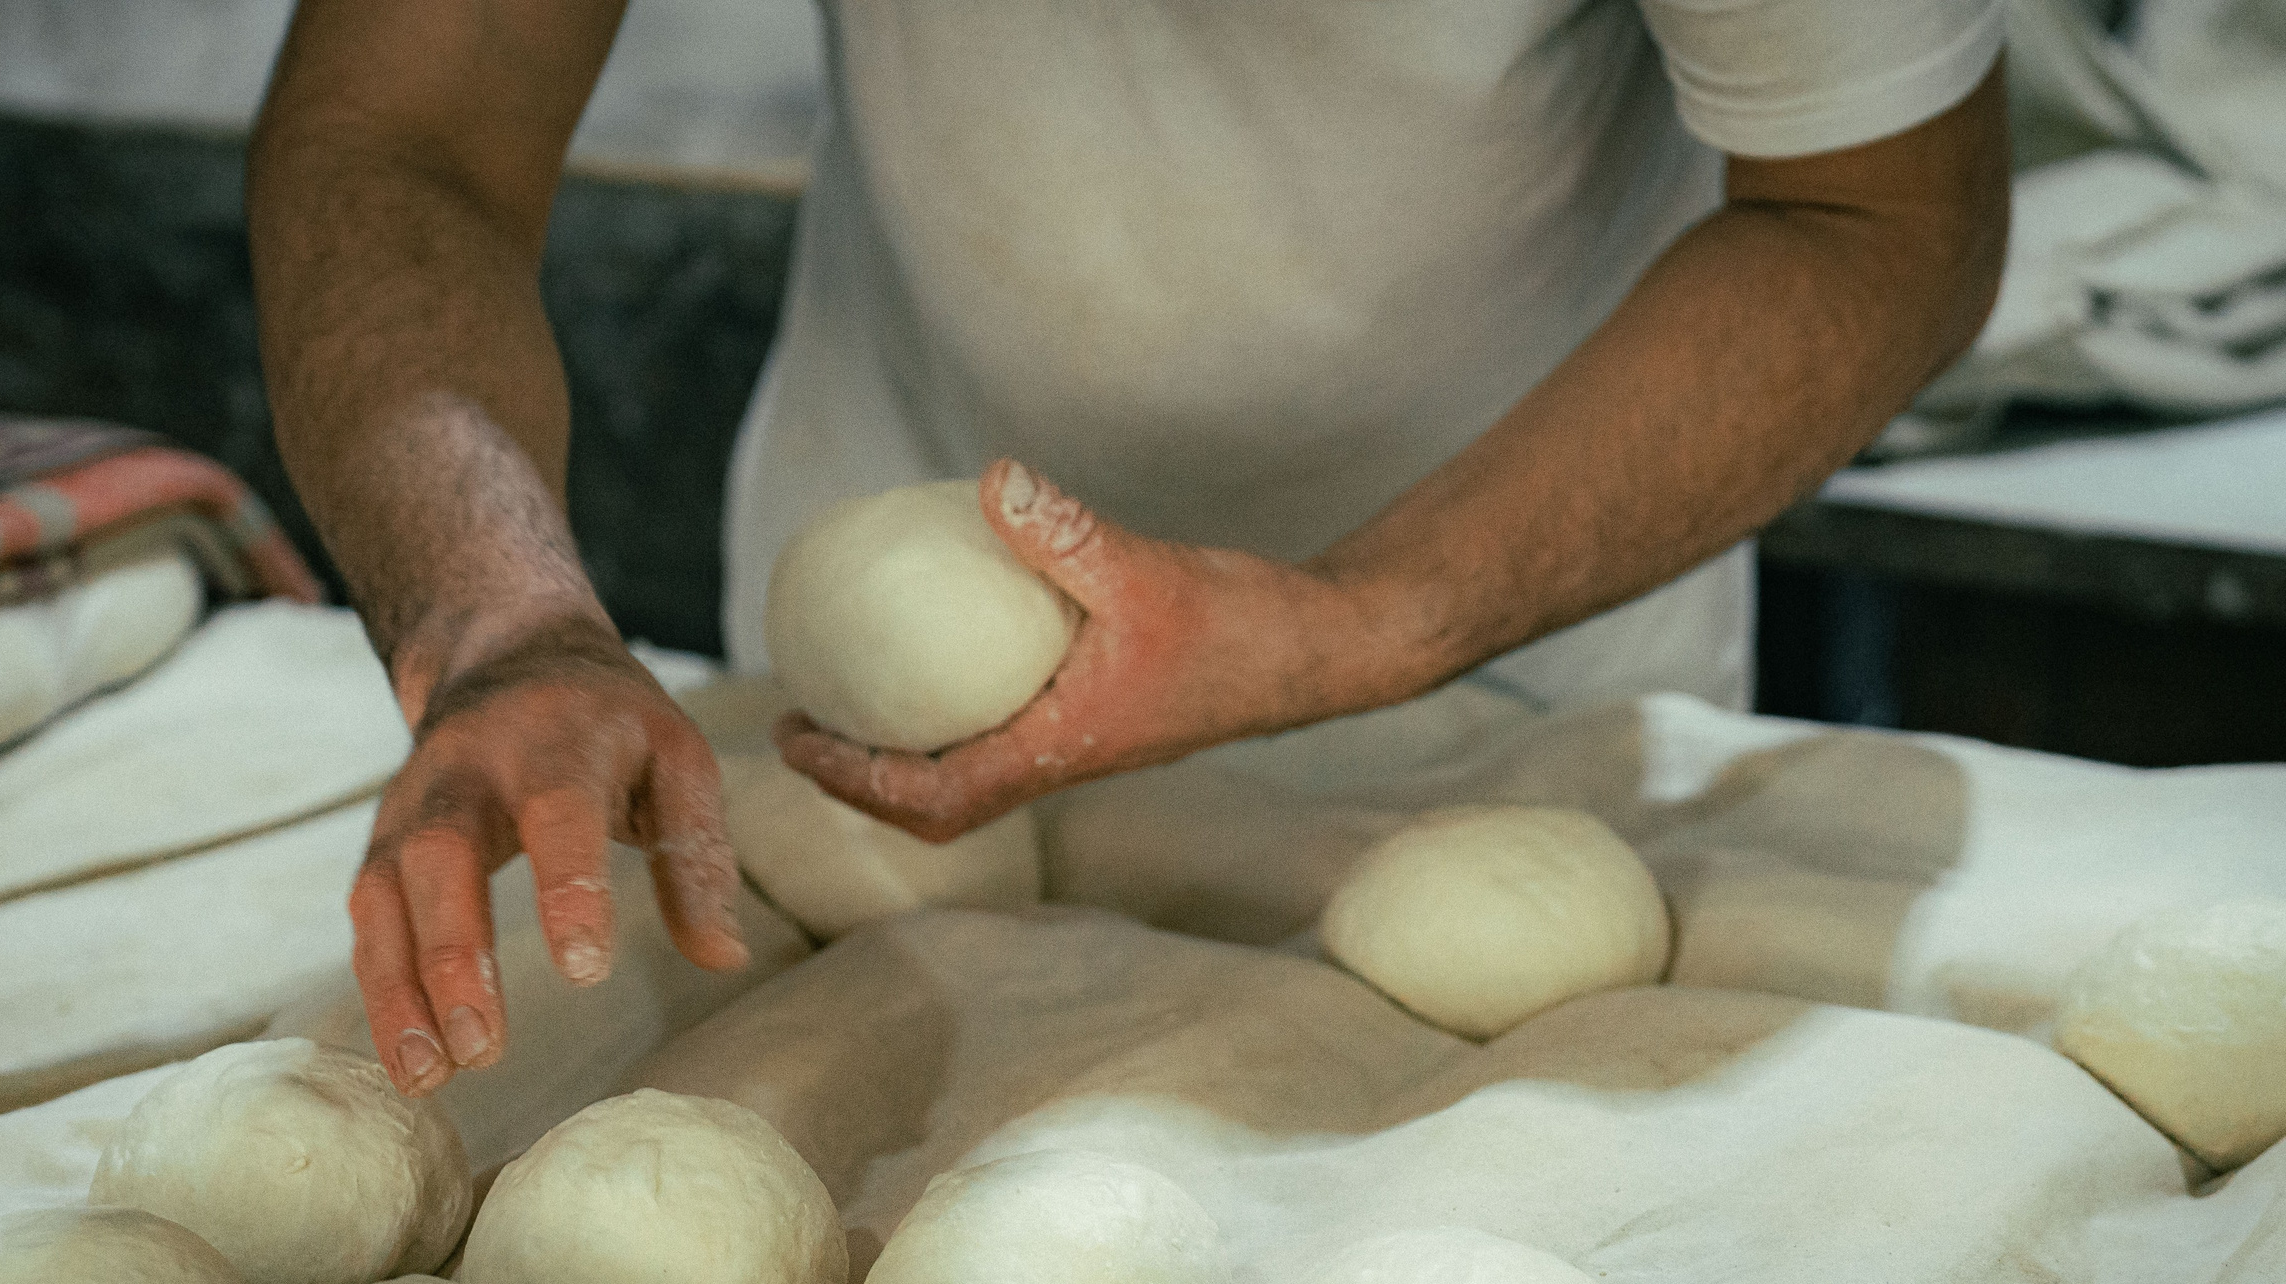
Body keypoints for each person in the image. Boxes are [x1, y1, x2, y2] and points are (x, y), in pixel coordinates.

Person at [248, 0, 2010, 1099]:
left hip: (1513, 675)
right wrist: (495, 618)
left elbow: (1883, 221)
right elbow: (403, 130)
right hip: (864, 721)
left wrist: (1368, 615)